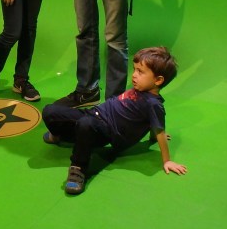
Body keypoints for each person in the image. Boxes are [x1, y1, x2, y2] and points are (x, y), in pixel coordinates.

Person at [42, 46, 187, 195]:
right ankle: (60, 135)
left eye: (140, 72)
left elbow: (158, 128)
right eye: (134, 69)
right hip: (93, 113)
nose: (134, 75)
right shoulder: (141, 88)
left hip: (104, 129)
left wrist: (167, 160)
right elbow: (152, 123)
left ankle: (78, 168)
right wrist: (153, 135)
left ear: (158, 80)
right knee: (49, 111)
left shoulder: (153, 104)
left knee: (85, 124)